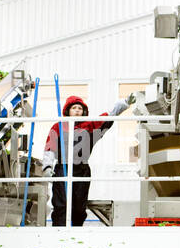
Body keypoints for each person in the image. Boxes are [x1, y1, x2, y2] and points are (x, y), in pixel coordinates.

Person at [41, 93, 134, 226]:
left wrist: (125, 103)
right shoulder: (58, 126)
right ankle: (59, 233)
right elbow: (49, 147)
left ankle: (77, 231)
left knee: (79, 206)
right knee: (61, 205)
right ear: (68, 111)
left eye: (80, 108)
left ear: (84, 111)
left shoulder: (90, 125)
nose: (77, 111)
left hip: (82, 170)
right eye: (74, 108)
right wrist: (47, 167)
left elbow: (108, 116)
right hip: (62, 170)